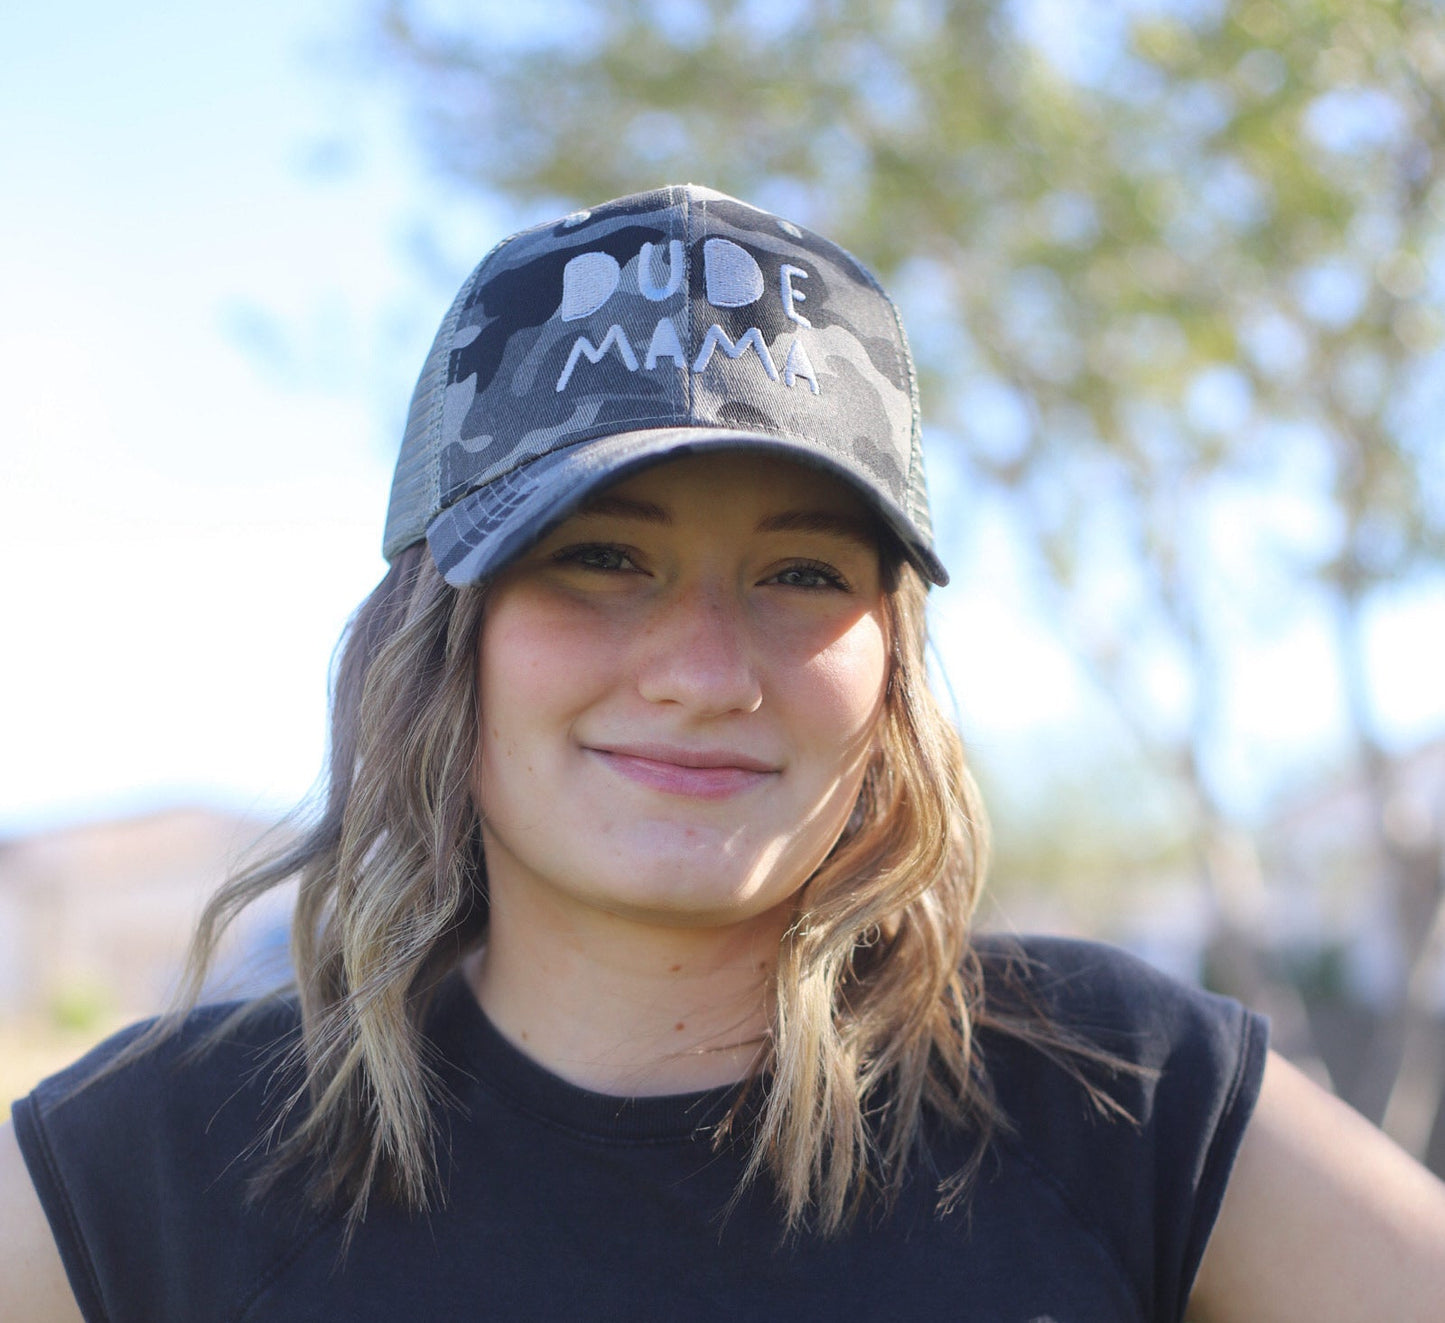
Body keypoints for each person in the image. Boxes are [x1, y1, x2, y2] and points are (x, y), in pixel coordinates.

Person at [3, 184, 1443, 1322]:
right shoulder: (149, 1168)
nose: (701, 671)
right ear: (441, 639)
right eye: (601, 558)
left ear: (891, 664)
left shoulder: (1119, 1101)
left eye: (802, 575)